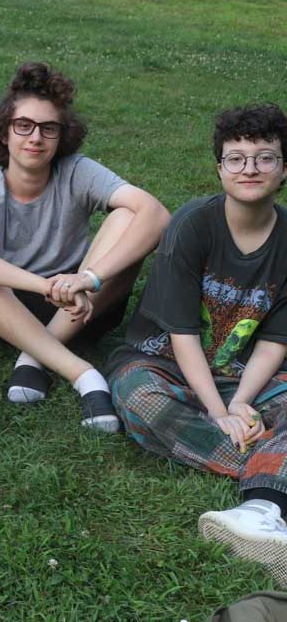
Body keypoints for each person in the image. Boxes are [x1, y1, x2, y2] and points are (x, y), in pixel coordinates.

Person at [0, 62, 170, 432]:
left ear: (62, 136)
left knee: (127, 217)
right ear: (4, 133)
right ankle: (84, 375)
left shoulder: (77, 171)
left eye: (49, 128)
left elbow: (155, 214)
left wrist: (89, 278)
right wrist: (44, 285)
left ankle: (33, 357)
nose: (35, 138)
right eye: (23, 126)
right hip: (3, 313)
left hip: (80, 306)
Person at [108, 103, 287, 586]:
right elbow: (182, 332)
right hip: (164, 363)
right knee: (139, 403)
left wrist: (244, 400)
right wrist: (218, 412)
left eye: (265, 157)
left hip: (248, 373)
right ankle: (273, 472)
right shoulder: (192, 224)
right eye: (236, 157)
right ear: (219, 167)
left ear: (284, 168)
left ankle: (261, 508)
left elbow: (275, 339)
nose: (250, 168)